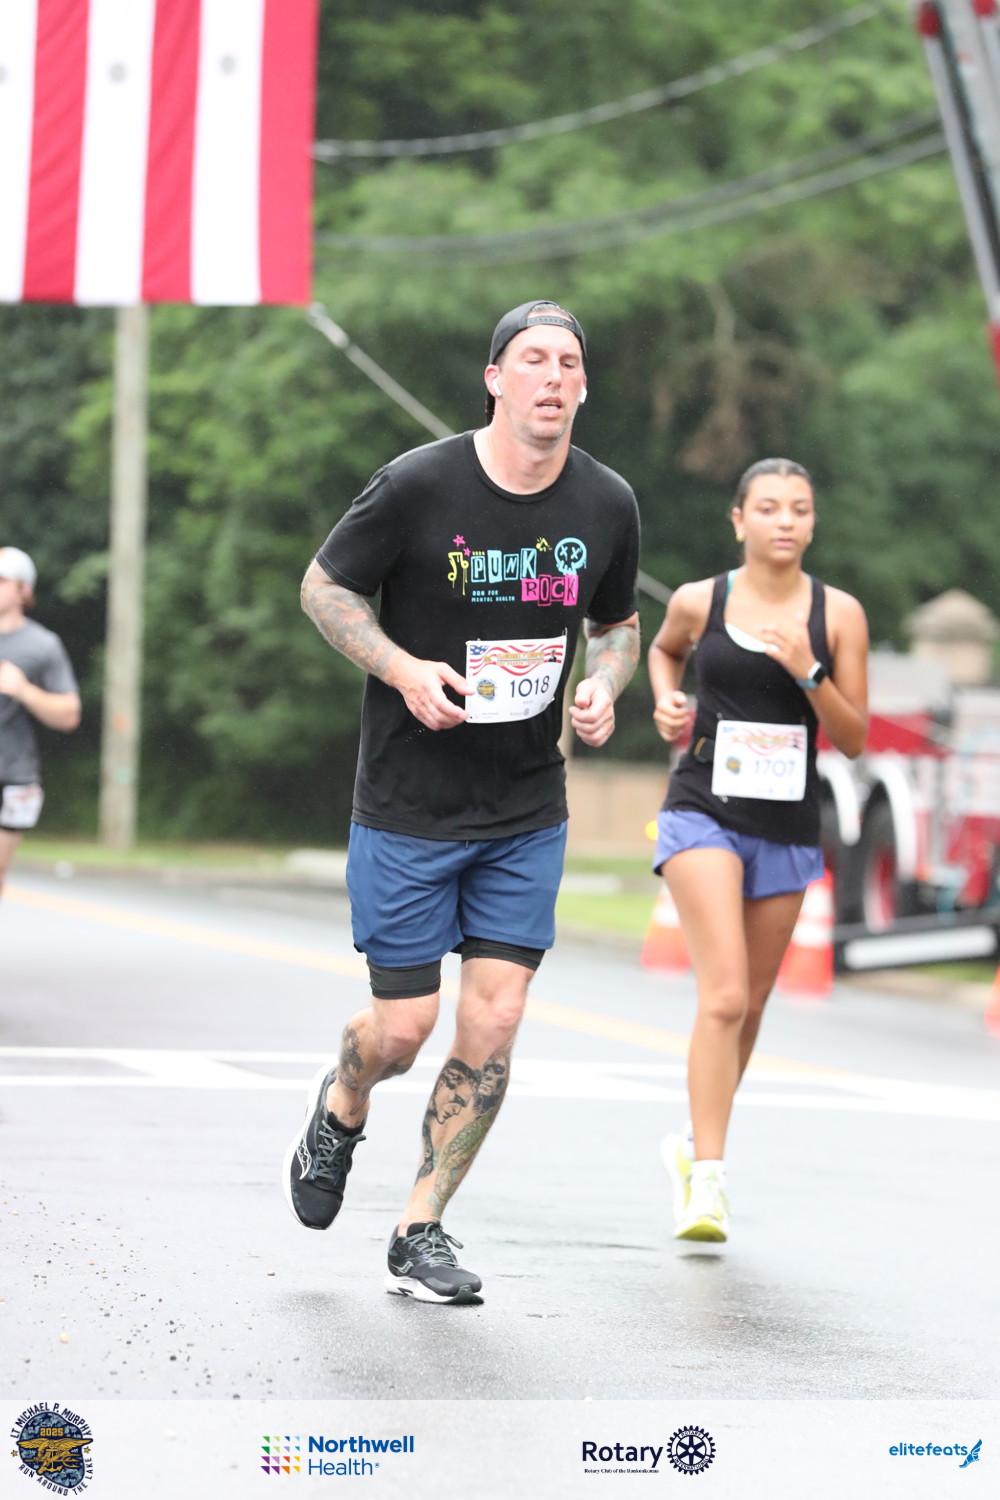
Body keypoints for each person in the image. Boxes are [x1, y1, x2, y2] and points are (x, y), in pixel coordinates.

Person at [285, 301, 640, 1303]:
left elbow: (617, 624)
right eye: (532, 359)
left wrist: (606, 683)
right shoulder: (417, 484)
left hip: (524, 807)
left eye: (568, 362)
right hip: (408, 802)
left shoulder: (606, 501)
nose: (552, 377)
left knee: (498, 1015)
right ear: (495, 378)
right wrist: (402, 670)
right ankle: (341, 1103)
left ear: (582, 386)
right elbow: (324, 590)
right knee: (401, 1030)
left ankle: (420, 1227)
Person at [648, 458, 868, 1243]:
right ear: (739, 519)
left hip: (786, 823)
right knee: (725, 996)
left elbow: (852, 737)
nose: (786, 521)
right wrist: (666, 701)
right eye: (769, 508)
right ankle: (708, 1181)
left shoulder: (838, 615)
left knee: (753, 1004)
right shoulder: (699, 600)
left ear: (812, 523)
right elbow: (666, 651)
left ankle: (691, 1144)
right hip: (702, 810)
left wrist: (808, 672)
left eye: (799, 509)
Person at [0, 547, 81, 898]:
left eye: (2, 580)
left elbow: (69, 714)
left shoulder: (43, 645)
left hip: (12, 773)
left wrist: (24, 690)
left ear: (24, 591)